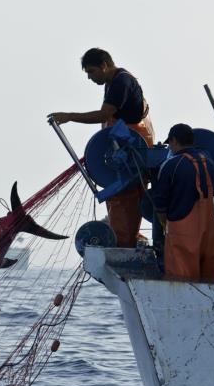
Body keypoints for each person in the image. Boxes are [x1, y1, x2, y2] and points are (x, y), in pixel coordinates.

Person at [49, 48, 155, 248]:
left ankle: (125, 244)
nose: (90, 77)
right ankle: (122, 237)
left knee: (126, 196)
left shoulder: (121, 82)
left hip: (132, 151)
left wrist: (69, 116)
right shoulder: (112, 82)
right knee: (118, 196)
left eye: (91, 72)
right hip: (121, 149)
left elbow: (103, 115)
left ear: (104, 66)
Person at [153, 123, 214, 282]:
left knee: (181, 281)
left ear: (174, 141)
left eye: (169, 143)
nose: (170, 147)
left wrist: (163, 222)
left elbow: (159, 202)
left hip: (182, 234)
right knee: (209, 281)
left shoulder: (171, 165)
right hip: (208, 232)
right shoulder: (209, 163)